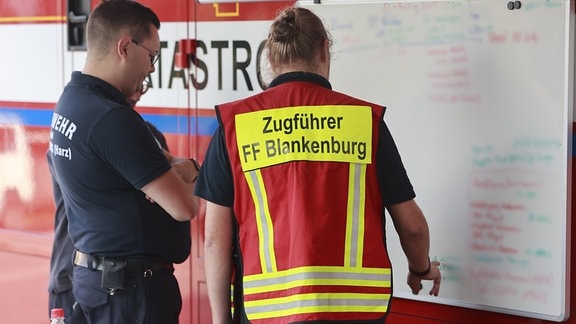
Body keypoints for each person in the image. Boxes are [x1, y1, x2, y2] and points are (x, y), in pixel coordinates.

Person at [195, 6, 441, 324]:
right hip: (355, 312)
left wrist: (220, 319)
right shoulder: (365, 121)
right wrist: (421, 268)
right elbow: (412, 226)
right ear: (325, 49)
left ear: (270, 59)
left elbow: (215, 238)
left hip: (267, 313)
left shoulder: (236, 124)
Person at [47, 1, 198, 323]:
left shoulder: (71, 102)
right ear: (125, 47)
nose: (153, 68)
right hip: (131, 293)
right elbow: (185, 207)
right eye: (152, 55)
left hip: (102, 284)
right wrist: (194, 170)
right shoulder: (113, 118)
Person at [47, 80, 168, 324]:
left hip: (87, 277)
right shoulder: (90, 128)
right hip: (86, 280)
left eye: (143, 85)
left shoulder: (68, 123)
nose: (137, 92)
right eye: (135, 82)